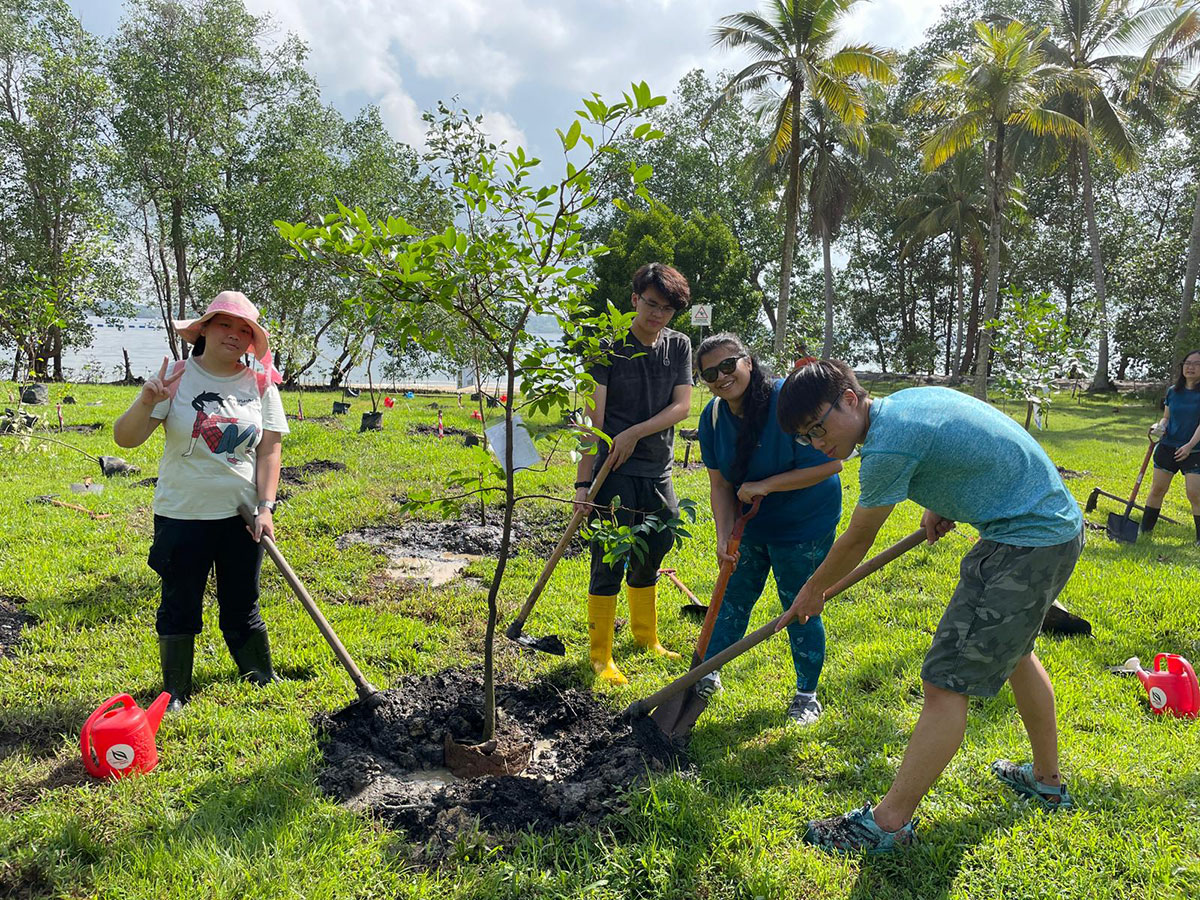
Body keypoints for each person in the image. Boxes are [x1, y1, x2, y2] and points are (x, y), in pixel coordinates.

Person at [774, 361, 1084, 853]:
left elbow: (858, 537)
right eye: (805, 437)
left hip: (1023, 542)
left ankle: (888, 825)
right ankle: (1047, 781)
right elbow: (961, 443)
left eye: (818, 428)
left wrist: (813, 590)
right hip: (1053, 526)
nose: (817, 443)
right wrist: (944, 498)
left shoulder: (888, 445)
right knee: (1017, 654)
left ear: (850, 400)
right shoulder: (904, 405)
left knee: (944, 683)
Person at [114, 291, 289, 712]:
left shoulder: (261, 384)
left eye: (244, 330)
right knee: (180, 602)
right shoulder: (175, 377)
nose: (234, 335)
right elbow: (126, 439)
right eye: (225, 324)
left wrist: (266, 507)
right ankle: (174, 691)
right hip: (182, 514)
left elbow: (269, 451)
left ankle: (260, 677)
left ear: (251, 341)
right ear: (205, 329)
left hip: (241, 516)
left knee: (242, 602)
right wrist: (146, 400)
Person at [694, 336, 842, 724]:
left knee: (800, 605)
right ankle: (708, 671)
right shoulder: (712, 418)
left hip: (804, 524)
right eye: (710, 373)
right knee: (734, 595)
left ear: (748, 361)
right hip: (751, 524)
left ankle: (806, 695)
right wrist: (724, 536)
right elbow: (720, 485)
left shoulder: (786, 400)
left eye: (728, 366)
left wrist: (767, 485)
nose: (721, 378)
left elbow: (832, 465)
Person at [573, 263, 693, 685]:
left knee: (657, 544)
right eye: (651, 304)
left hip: (658, 469)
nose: (657, 314)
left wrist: (634, 433)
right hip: (614, 471)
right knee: (610, 557)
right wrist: (583, 485)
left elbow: (682, 407)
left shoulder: (679, 346)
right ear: (634, 300)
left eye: (667, 309)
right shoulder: (605, 346)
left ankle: (646, 637)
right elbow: (592, 422)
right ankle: (601, 656)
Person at [1142, 349, 1200, 544]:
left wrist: (1190, 445)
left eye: (1196, 364)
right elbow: (1167, 417)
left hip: (1194, 451)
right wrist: (1160, 426)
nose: (1191, 367)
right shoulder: (1173, 391)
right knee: (1157, 489)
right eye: (1187, 363)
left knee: (1195, 494)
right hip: (1167, 447)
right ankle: (1145, 531)